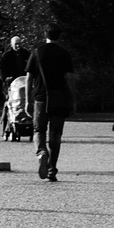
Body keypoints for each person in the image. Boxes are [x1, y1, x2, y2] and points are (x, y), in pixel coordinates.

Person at [26, 25, 74, 182]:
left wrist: (28, 100)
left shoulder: (37, 52)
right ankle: (52, 169)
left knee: (38, 130)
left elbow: (29, 78)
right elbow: (69, 78)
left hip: (40, 97)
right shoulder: (64, 54)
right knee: (56, 135)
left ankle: (41, 152)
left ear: (44, 34)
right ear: (59, 36)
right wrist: (72, 98)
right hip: (59, 98)